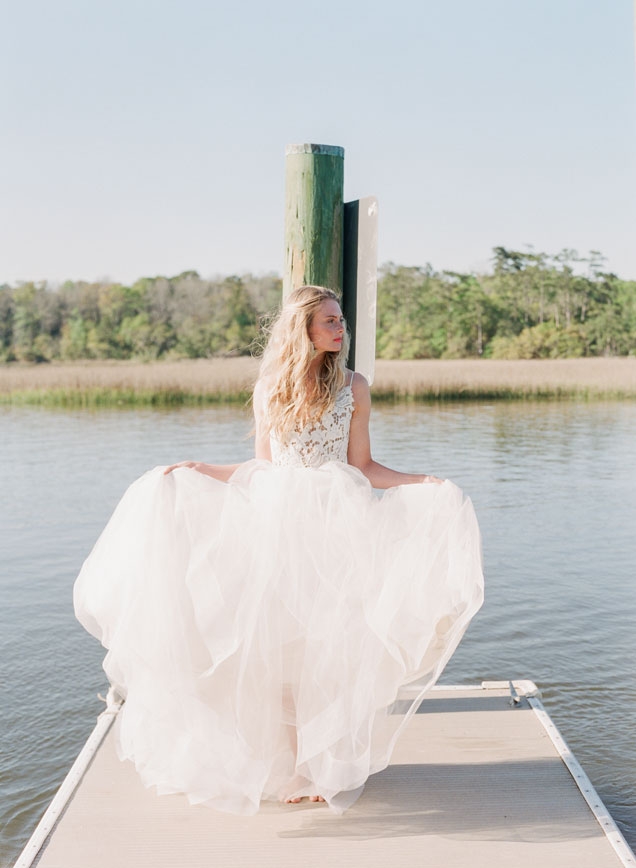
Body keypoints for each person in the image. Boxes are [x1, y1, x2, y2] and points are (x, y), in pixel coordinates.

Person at [74, 284, 484, 815]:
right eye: (331, 321)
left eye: (341, 320)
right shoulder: (272, 387)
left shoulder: (355, 386)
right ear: (304, 329)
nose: (341, 328)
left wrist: (423, 482)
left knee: (332, 646)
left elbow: (363, 466)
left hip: (340, 529)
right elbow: (262, 466)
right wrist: (202, 470)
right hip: (275, 527)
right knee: (280, 652)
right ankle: (292, 766)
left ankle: (324, 764)